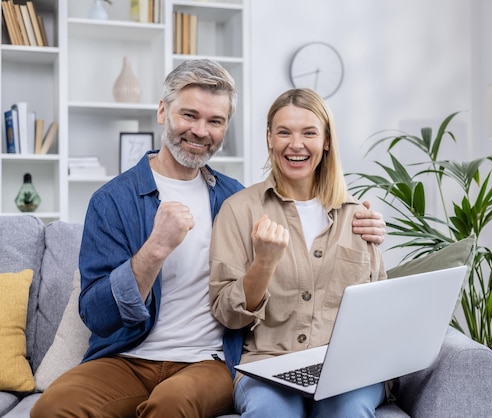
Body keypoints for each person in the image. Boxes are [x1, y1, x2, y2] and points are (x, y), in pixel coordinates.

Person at [31, 61, 386, 418]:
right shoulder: (112, 200)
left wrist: (366, 228)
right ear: (162, 111)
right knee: (51, 409)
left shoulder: (234, 200)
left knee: (171, 404)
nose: (200, 131)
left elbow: (299, 255)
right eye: (189, 115)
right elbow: (97, 315)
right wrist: (155, 248)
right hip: (126, 357)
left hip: (208, 359)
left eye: (215, 121)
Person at [209, 88, 387, 418]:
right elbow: (226, 312)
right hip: (269, 366)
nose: (296, 144)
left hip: (347, 368)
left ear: (327, 141)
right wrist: (263, 262)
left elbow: (379, 310)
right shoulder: (239, 210)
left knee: (349, 412)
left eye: (309, 133)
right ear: (269, 139)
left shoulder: (358, 216)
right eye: (284, 132)